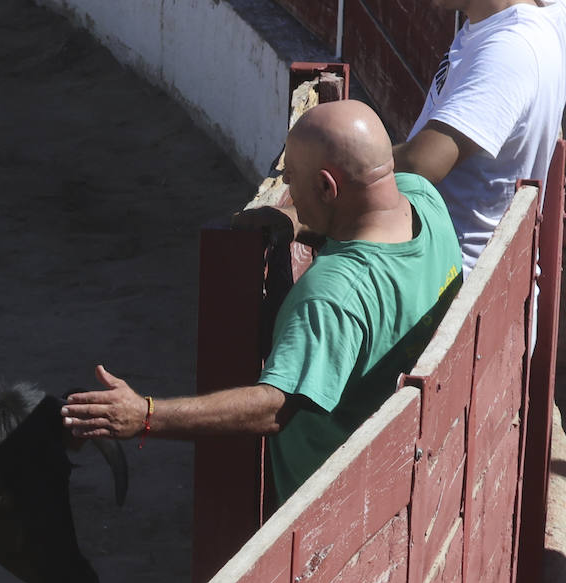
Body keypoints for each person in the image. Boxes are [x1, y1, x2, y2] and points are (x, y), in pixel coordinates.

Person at [62, 100, 463, 506]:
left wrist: (146, 415)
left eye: (292, 179)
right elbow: (364, 205)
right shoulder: (425, 200)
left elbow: (274, 407)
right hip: (414, 471)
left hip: (333, 513)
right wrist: (301, 218)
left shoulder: (333, 296)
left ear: (327, 188)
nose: (287, 187)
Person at [394, 0, 566, 273]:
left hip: (447, 279)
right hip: (458, 263)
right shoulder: (555, 21)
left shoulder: (508, 52)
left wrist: (344, 161)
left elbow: (422, 164)